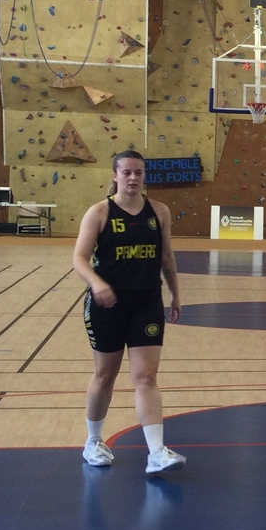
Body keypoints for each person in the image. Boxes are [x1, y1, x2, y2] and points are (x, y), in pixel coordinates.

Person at [72, 149, 185, 474]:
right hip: (107, 305)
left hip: (146, 303)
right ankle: (93, 441)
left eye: (139, 172)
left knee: (146, 376)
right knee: (105, 375)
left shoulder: (159, 211)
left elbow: (166, 256)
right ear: (115, 175)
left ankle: (156, 453)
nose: (133, 177)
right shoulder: (99, 212)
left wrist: (175, 294)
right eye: (127, 172)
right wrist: (97, 283)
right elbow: (79, 258)